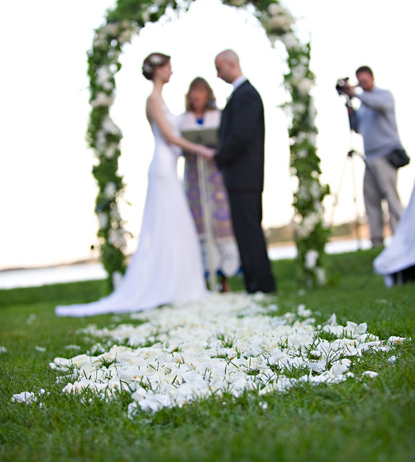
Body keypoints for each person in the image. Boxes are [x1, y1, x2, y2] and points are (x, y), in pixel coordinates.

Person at [56, 53, 215, 316]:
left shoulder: (161, 100)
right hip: (162, 168)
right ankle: (167, 285)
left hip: (170, 167)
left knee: (175, 225)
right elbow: (169, 137)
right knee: (165, 224)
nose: (171, 72)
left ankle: (180, 284)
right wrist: (200, 149)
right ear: (159, 70)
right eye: (169, 67)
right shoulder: (152, 100)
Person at [213, 49, 276, 294]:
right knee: (245, 232)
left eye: (219, 69)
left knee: (249, 232)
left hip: (244, 176)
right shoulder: (240, 95)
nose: (218, 75)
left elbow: (240, 136)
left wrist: (219, 157)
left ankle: (261, 284)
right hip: (240, 177)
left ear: (231, 64)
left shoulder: (246, 95)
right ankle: (255, 284)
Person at [179, 77, 241, 293]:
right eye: (193, 91)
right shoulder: (183, 120)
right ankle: (205, 278)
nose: (197, 95)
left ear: (207, 94)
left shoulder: (218, 116)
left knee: (222, 227)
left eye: (201, 90)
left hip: (216, 177)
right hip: (194, 179)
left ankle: (225, 278)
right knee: (200, 229)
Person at [341, 66, 404, 247]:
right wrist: (350, 108)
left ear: (372, 78)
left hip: (386, 155)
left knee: (391, 199)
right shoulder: (362, 105)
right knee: (371, 201)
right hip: (369, 158)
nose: (361, 84)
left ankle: (401, 239)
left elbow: (379, 105)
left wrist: (356, 94)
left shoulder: (384, 96)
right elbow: (357, 129)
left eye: (364, 81)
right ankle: (376, 242)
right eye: (359, 82)